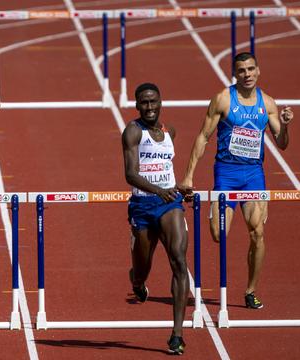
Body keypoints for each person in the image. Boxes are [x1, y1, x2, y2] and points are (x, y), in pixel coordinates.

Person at [181, 52, 294, 310]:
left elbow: (282, 144)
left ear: (258, 71)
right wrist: (188, 174)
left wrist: (285, 126)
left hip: (254, 175)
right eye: (242, 70)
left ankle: (251, 290)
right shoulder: (222, 99)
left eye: (251, 69)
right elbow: (202, 137)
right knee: (218, 235)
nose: (247, 75)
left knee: (258, 233)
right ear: (235, 73)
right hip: (226, 173)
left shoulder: (268, 103)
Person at [122, 83, 190, 355]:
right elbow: (130, 174)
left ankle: (177, 334)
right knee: (142, 269)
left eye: (153, 102)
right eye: (144, 103)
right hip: (143, 204)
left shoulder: (169, 131)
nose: (149, 107)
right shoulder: (132, 132)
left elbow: (168, 167)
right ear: (137, 106)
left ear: (161, 102)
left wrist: (177, 189)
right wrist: (158, 190)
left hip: (169, 203)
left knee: (179, 260)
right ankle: (137, 283)